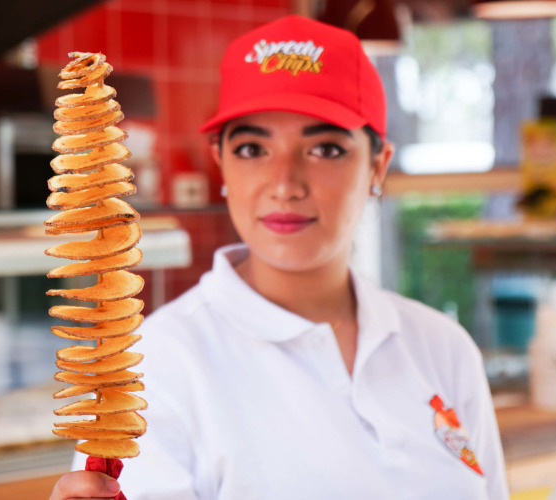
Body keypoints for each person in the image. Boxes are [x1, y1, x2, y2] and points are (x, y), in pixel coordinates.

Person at [49, 15, 508, 500]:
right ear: (220, 161)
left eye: (325, 149)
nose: (285, 184)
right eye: (252, 148)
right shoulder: (156, 365)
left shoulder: (442, 348)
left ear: (378, 167)